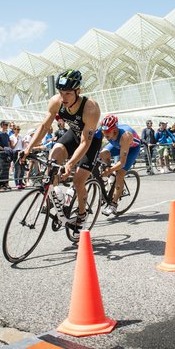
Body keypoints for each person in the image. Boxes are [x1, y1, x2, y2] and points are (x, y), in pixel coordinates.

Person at [22, 69, 101, 231]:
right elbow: (44, 126)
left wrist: (70, 164)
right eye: (61, 92)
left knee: (78, 181)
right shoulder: (56, 101)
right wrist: (28, 148)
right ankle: (55, 196)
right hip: (73, 135)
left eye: (68, 93)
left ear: (78, 91)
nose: (63, 97)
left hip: (90, 142)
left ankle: (81, 215)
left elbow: (85, 143)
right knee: (52, 162)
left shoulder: (90, 108)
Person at [97, 114, 141, 216]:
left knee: (119, 174)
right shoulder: (105, 130)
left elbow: (122, 162)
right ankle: (111, 176)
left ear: (115, 130)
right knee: (102, 154)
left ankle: (114, 204)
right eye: (104, 131)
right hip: (117, 145)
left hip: (131, 149)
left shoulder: (126, 136)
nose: (105, 133)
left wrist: (110, 170)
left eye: (108, 131)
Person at [0, 120, 13, 190]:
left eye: (7, 125)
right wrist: (3, 149)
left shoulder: (6, 134)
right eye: (5, 125)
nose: (6, 126)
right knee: (1, 169)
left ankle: (6, 183)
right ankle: (0, 185)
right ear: (2, 125)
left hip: (6, 154)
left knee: (6, 169)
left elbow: (8, 144)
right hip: (1, 154)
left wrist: (9, 150)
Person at [10, 125, 26, 189]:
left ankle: (20, 182)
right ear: (14, 130)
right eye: (17, 129)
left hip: (20, 152)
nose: (18, 131)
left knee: (22, 168)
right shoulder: (11, 137)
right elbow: (12, 147)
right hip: (15, 152)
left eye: (19, 129)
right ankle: (16, 183)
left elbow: (22, 145)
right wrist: (16, 141)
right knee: (17, 168)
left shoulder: (20, 137)